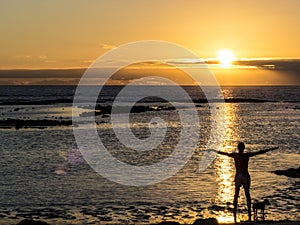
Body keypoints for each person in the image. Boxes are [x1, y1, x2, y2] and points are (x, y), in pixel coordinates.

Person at [210, 142, 278, 223]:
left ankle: (235, 214)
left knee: (236, 195)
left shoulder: (235, 155)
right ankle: (249, 214)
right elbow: (259, 152)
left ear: (238, 148)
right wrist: (270, 149)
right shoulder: (246, 155)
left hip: (238, 176)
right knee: (247, 195)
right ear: (244, 148)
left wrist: (214, 150)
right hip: (245, 176)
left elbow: (224, 153)